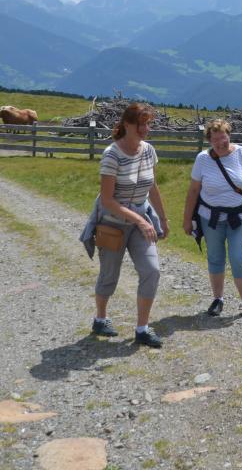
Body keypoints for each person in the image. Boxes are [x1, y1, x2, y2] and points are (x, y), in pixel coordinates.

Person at [82, 103, 169, 348]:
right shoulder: (112, 154)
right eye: (141, 124)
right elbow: (108, 200)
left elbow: (152, 186)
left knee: (152, 270)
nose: (145, 128)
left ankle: (142, 328)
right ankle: (100, 318)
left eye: (148, 123)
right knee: (109, 275)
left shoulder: (148, 151)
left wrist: (162, 218)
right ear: (127, 125)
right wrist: (141, 220)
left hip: (141, 221)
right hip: (113, 224)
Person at [183, 119, 242, 318]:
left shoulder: (241, 153)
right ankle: (218, 299)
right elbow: (194, 190)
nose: (221, 143)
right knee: (215, 258)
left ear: (229, 136)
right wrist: (187, 219)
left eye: (224, 138)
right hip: (210, 218)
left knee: (238, 257)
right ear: (209, 141)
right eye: (216, 139)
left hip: (239, 216)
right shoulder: (202, 159)